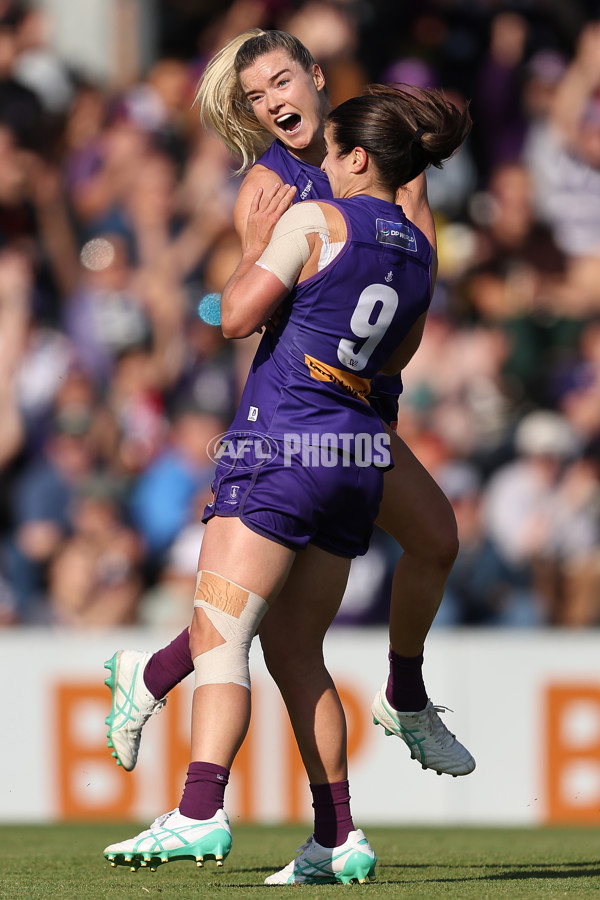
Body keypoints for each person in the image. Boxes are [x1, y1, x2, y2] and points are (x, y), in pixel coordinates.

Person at [103, 77, 472, 885]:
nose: (326, 168)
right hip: (356, 460)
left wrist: (255, 256)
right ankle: (338, 835)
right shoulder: (416, 246)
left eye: (338, 157)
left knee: (221, 637)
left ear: (359, 156)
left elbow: (233, 318)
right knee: (298, 651)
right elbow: (397, 359)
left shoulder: (312, 217)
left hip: (282, 444)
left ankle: (198, 810)